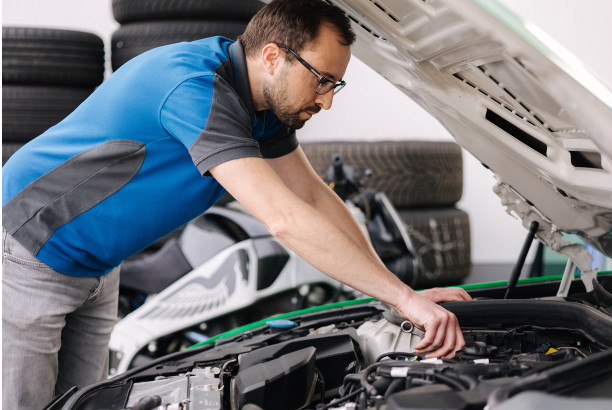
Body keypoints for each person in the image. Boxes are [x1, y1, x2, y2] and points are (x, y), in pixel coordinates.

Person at [2, 0, 471, 407]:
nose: (326, 102)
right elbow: (284, 219)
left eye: (335, 86)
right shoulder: (192, 86)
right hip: (26, 251)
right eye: (322, 81)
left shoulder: (263, 109)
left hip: (97, 264)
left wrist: (397, 293)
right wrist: (403, 299)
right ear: (272, 57)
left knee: (84, 404)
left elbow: (314, 199)